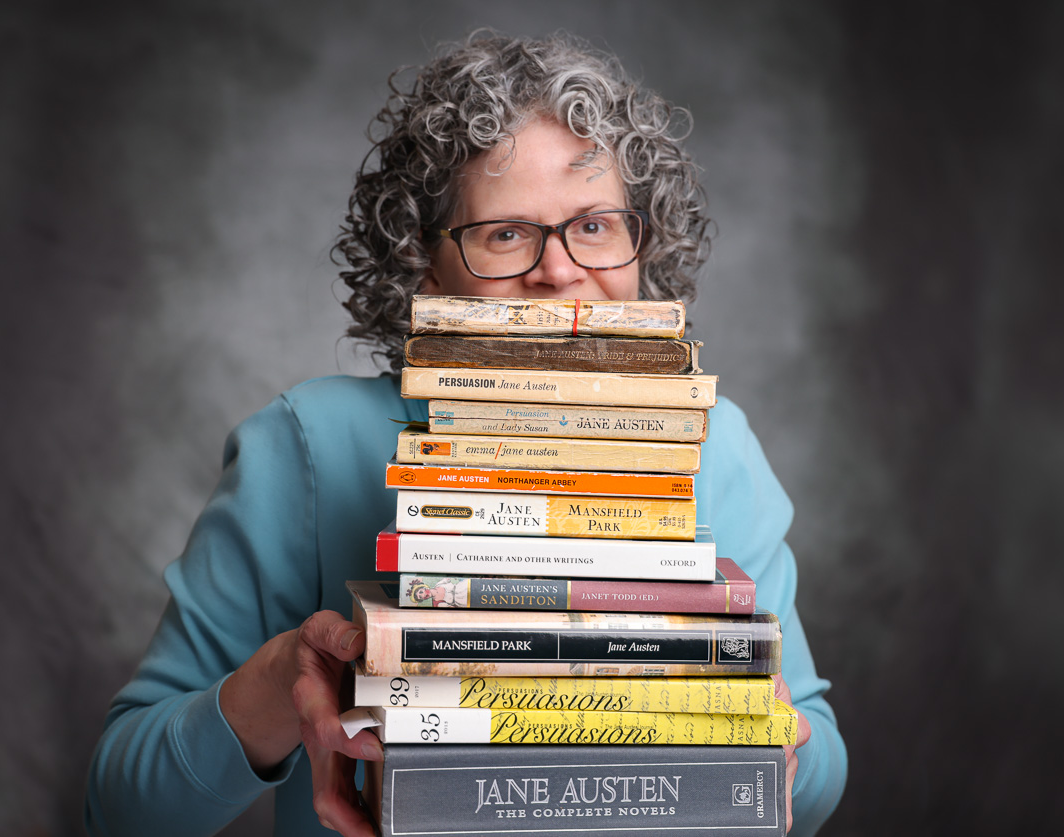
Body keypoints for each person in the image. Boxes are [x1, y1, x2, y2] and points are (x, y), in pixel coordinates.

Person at [85, 32, 847, 837]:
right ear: (423, 263)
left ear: (640, 244)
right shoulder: (304, 444)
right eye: (506, 234)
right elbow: (123, 808)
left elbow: (819, 766)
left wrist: (773, 737)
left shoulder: (716, 443)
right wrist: (278, 685)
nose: (559, 271)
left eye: (594, 225)